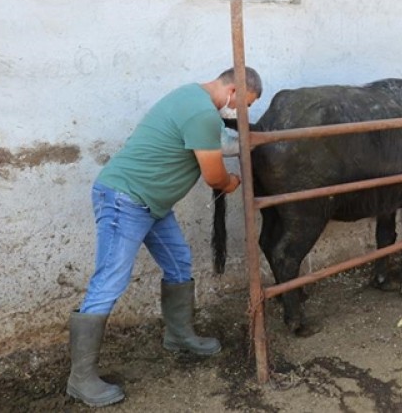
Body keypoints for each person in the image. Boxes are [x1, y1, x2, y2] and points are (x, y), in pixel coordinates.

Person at [67, 67, 263, 407]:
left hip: (151, 204)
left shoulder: (193, 97)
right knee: (110, 280)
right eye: (242, 105)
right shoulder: (202, 112)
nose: (239, 113)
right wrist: (231, 182)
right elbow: (214, 175)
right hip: (125, 199)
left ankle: (179, 335)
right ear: (231, 90)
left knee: (178, 263)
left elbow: (224, 142)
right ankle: (80, 378)